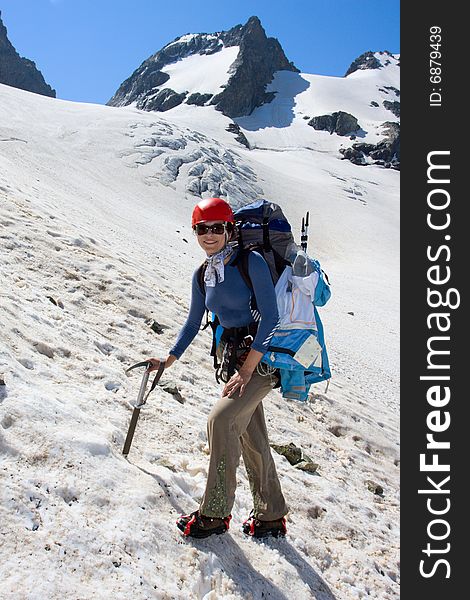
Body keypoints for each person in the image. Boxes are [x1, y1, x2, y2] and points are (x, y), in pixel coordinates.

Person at [148, 197, 288, 539]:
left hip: (263, 360)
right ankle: (270, 516)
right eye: (202, 229)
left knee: (221, 420)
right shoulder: (204, 274)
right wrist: (167, 359)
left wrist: (247, 371)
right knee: (249, 433)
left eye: (216, 228)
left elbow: (271, 317)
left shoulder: (249, 261)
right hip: (233, 360)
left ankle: (214, 513)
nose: (209, 235)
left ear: (230, 229)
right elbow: (193, 321)